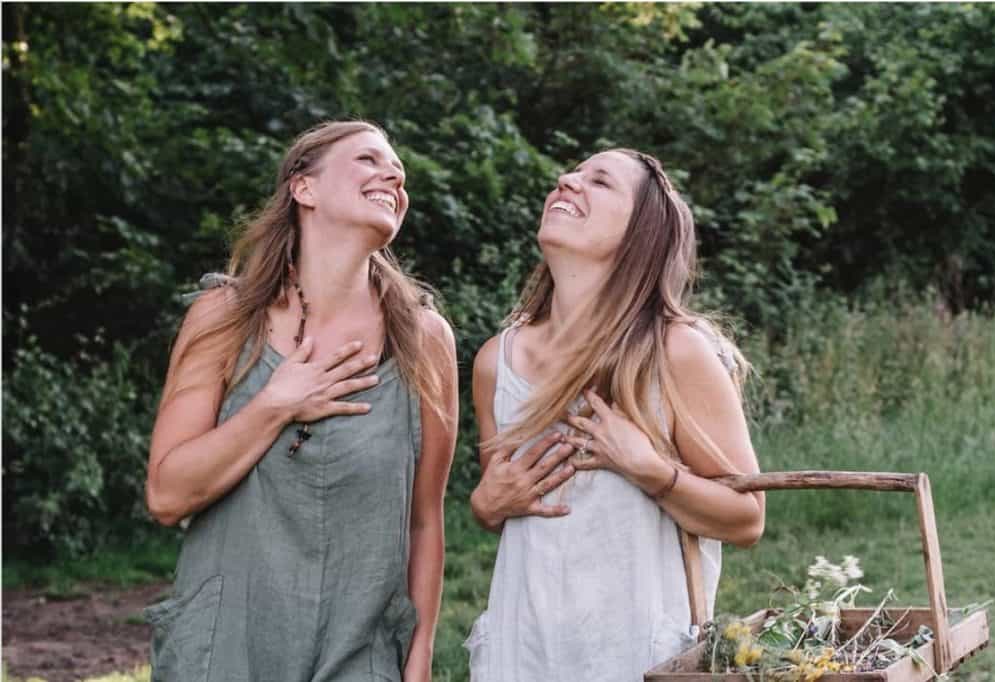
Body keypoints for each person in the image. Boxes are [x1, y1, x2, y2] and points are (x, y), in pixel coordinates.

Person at [144, 120, 458, 682]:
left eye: (399, 173)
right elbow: (168, 494)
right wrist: (274, 404)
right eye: (368, 160)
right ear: (303, 188)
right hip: (227, 644)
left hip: (360, 650)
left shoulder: (426, 338)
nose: (393, 175)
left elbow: (424, 521)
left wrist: (420, 657)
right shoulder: (223, 317)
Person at [464, 149, 766, 681]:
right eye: (571, 174)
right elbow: (498, 502)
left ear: (639, 234)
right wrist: (485, 505)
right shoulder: (497, 361)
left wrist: (652, 470)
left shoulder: (675, 352)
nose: (566, 181)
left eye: (598, 181)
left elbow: (746, 518)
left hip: (634, 652)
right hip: (524, 650)